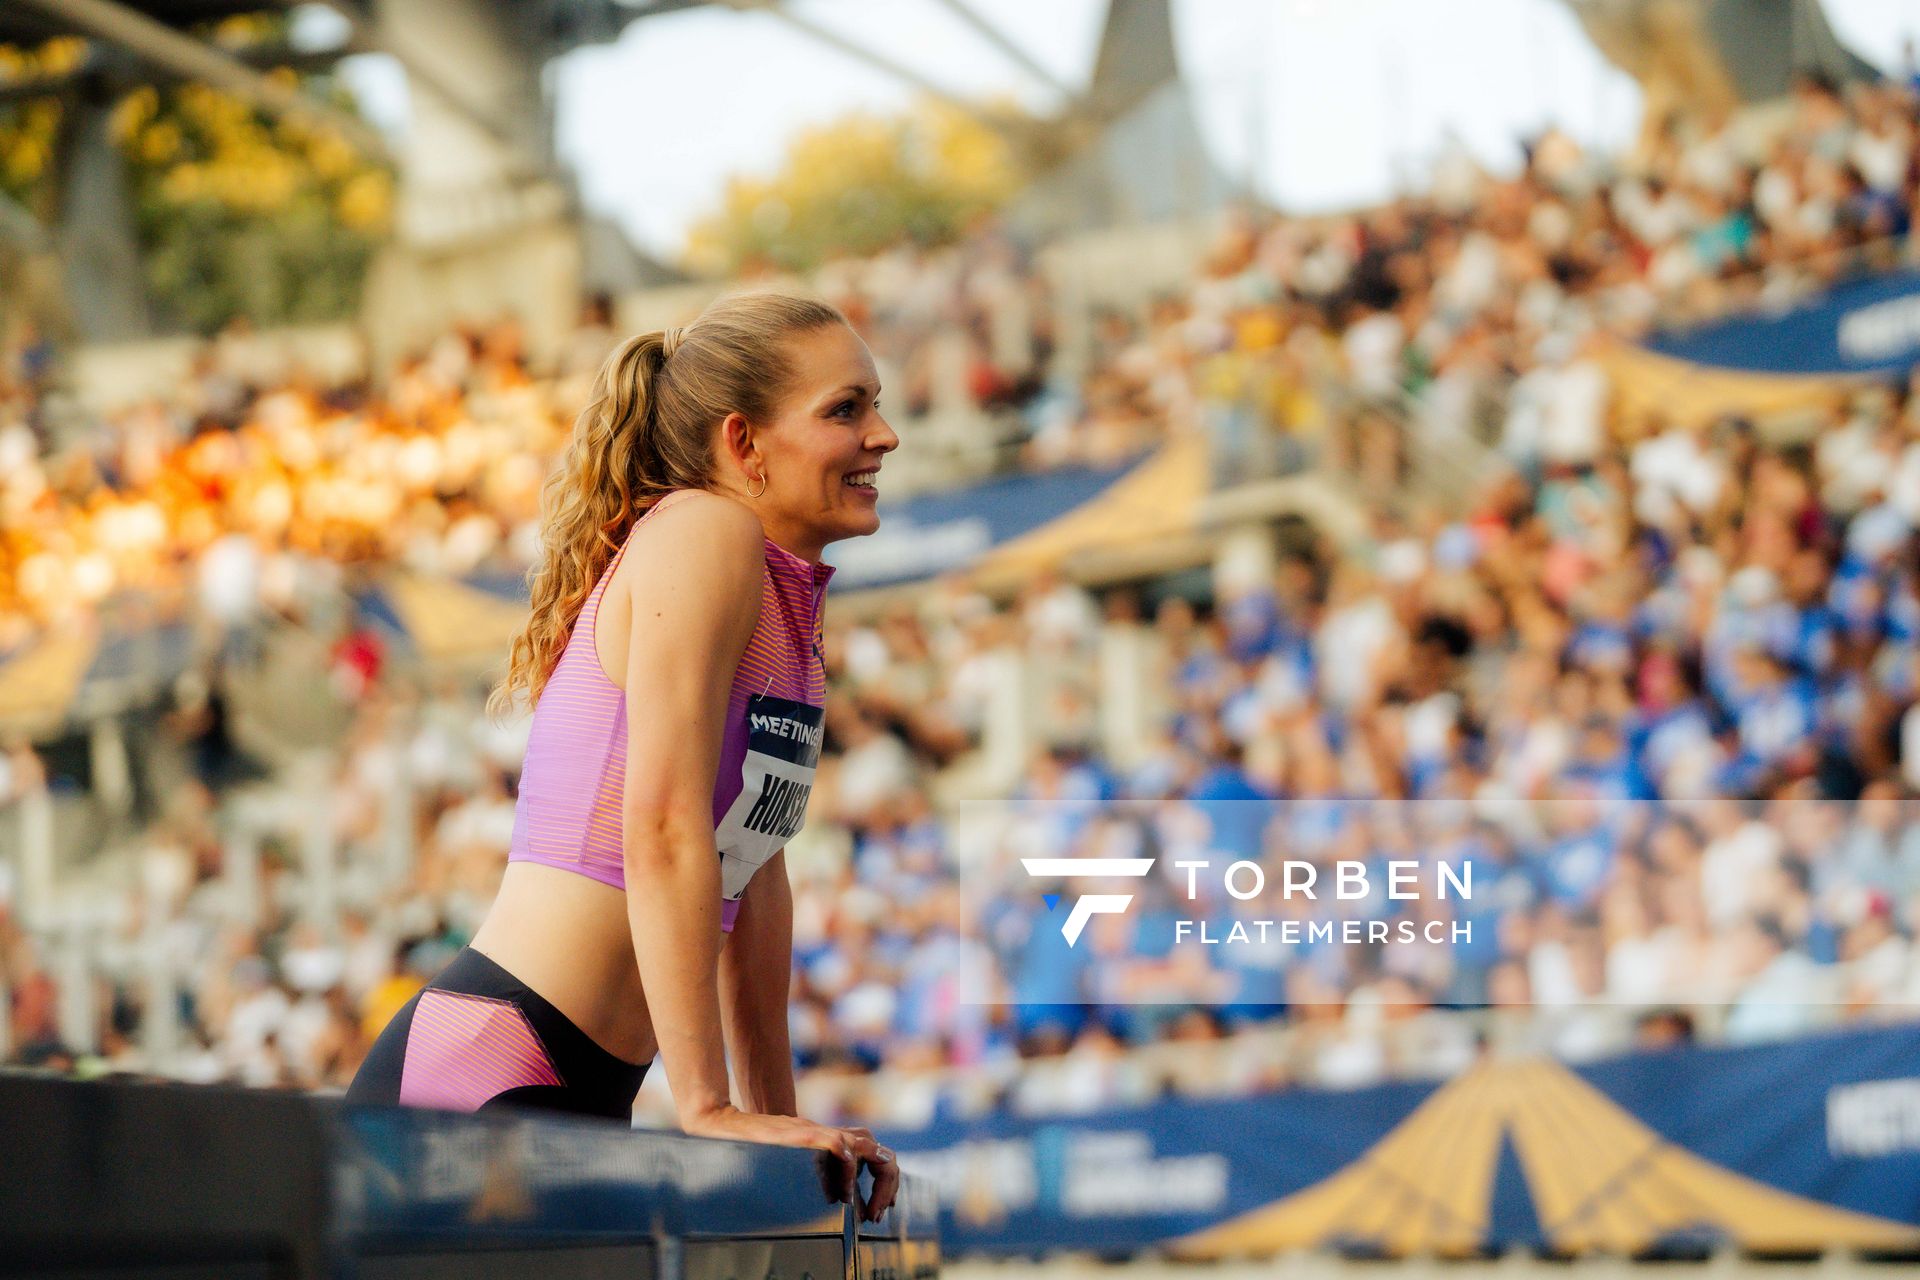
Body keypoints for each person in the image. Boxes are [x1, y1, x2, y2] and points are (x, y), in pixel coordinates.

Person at [348, 291, 901, 1220]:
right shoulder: (704, 528)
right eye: (845, 409)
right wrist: (711, 1109)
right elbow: (663, 824)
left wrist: (775, 1129)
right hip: (491, 1065)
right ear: (744, 444)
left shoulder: (788, 607)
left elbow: (751, 876)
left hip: (579, 1089)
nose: (882, 435)